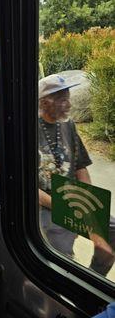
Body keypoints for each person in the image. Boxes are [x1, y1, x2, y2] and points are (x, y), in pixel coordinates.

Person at [38, 74, 115, 276]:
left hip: (74, 199)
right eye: (62, 99)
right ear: (45, 102)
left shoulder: (68, 125)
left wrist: (88, 201)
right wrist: (65, 207)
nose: (69, 104)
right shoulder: (29, 130)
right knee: (62, 261)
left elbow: (81, 166)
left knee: (111, 238)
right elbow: (26, 187)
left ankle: (93, 282)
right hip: (44, 206)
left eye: (68, 98)